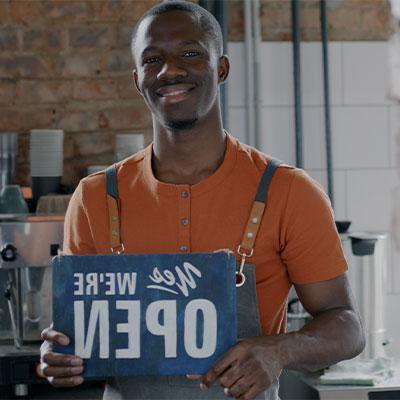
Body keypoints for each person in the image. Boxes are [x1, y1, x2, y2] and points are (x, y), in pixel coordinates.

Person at [40, 1, 365, 399]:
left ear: (221, 68)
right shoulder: (94, 198)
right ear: (137, 79)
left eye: (190, 54)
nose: (170, 70)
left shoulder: (288, 191)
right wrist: (59, 354)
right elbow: (73, 336)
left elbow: (346, 326)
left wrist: (279, 350)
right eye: (152, 59)